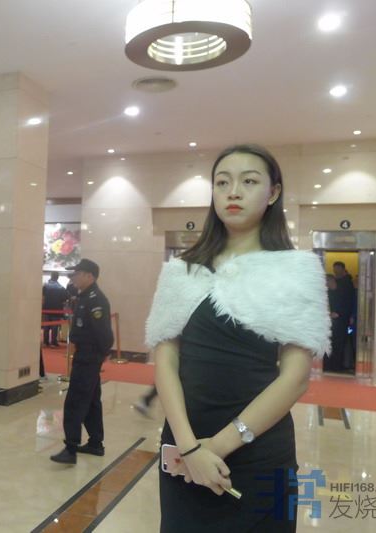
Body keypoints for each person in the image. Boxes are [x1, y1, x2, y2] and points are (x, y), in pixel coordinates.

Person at [145, 144, 330, 531]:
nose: (233, 192)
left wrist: (217, 447)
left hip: (259, 449)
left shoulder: (295, 271)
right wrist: (190, 447)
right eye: (222, 182)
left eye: (249, 181)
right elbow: (166, 362)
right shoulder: (181, 271)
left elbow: (295, 378)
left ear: (273, 193)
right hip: (185, 445)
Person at [50, 258, 114, 465]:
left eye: (77, 274)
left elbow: (103, 332)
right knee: (92, 401)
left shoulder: (95, 299)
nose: (73, 277)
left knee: (75, 401)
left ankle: (71, 448)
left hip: (88, 357)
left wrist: (102, 354)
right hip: (87, 355)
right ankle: (95, 443)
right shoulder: (85, 296)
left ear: (89, 276)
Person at [43, 272, 69, 347]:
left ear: (51, 276)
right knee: (55, 326)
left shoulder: (45, 286)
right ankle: (53, 342)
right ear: (57, 277)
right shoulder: (60, 287)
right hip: (57, 309)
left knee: (46, 326)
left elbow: (42, 296)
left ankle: (45, 342)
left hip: (46, 308)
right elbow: (66, 297)